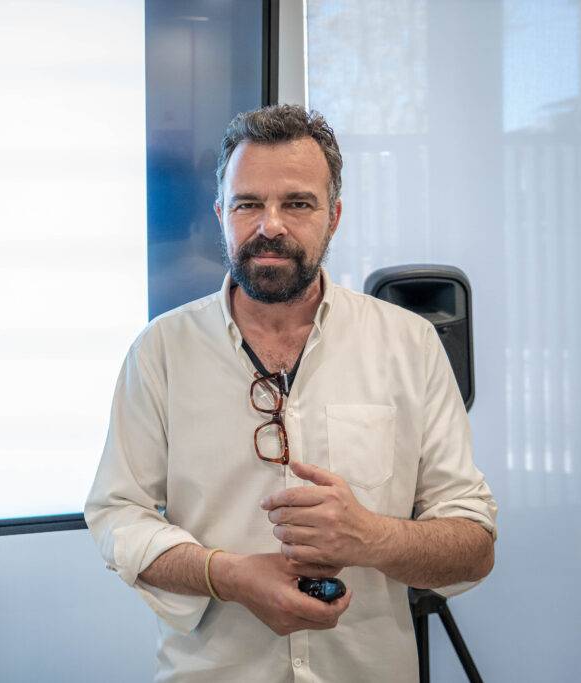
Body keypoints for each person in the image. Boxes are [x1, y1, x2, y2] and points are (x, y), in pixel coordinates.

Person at [85, 104, 497, 682]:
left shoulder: (410, 344)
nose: (269, 224)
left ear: (334, 217)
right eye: (248, 202)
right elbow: (116, 515)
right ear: (220, 213)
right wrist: (224, 575)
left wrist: (369, 536)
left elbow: (474, 543)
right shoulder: (161, 351)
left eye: (297, 203)